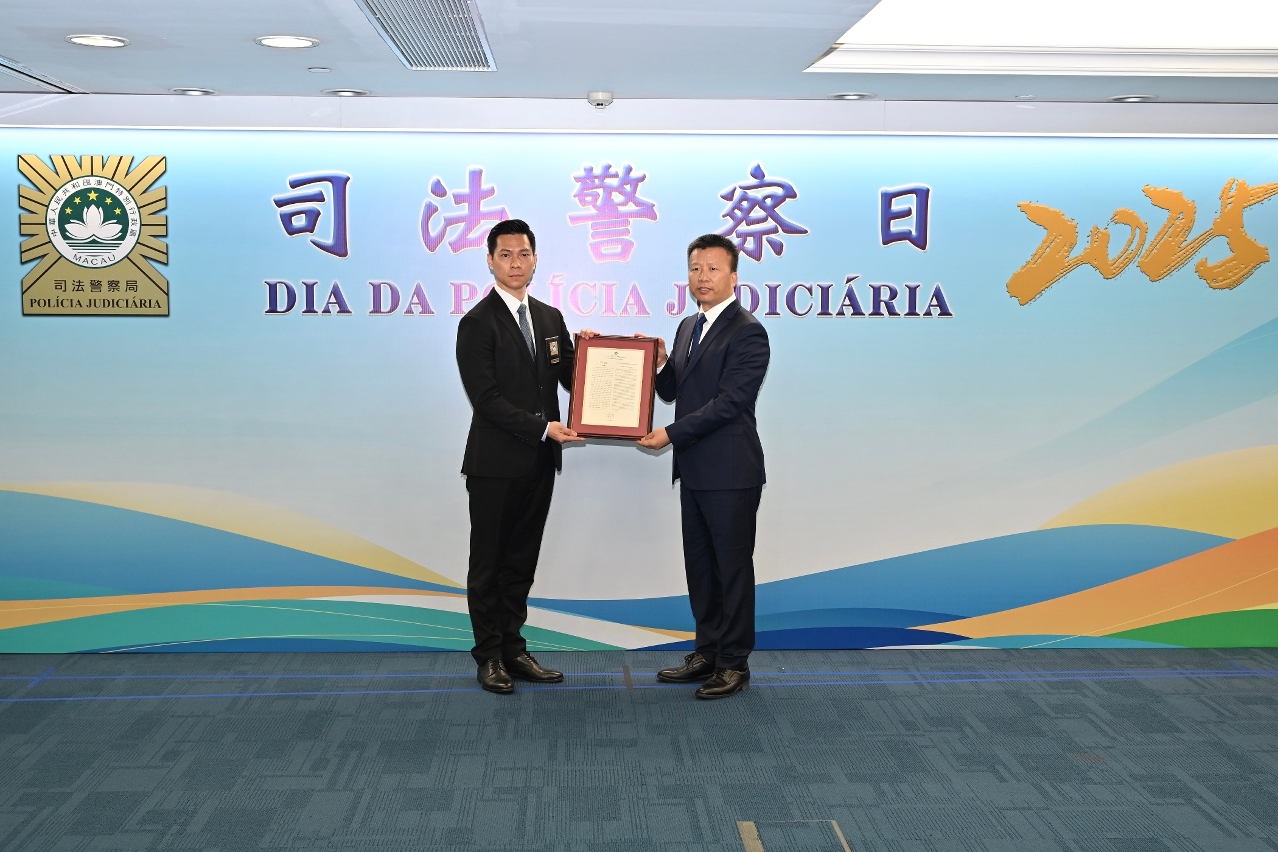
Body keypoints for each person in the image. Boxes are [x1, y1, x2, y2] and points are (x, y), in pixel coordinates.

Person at [456, 218, 592, 694]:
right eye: (506, 255)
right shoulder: (477, 323)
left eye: (524, 254)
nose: (516, 263)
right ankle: (489, 656)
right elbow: (486, 399)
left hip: (539, 463)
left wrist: (594, 355)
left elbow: (572, 379)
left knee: (520, 563)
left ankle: (514, 649)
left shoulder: (551, 318)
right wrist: (542, 428)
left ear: (535, 260)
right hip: (494, 465)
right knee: (488, 565)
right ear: (490, 261)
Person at [638, 233, 770, 700]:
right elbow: (673, 390)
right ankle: (708, 651)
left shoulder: (748, 331)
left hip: (731, 472)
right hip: (694, 470)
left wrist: (670, 434)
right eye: (695, 268)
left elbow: (730, 403)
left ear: (734, 276)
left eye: (713, 268)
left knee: (731, 569)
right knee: (701, 568)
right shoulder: (687, 327)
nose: (702, 277)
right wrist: (658, 363)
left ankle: (734, 663)